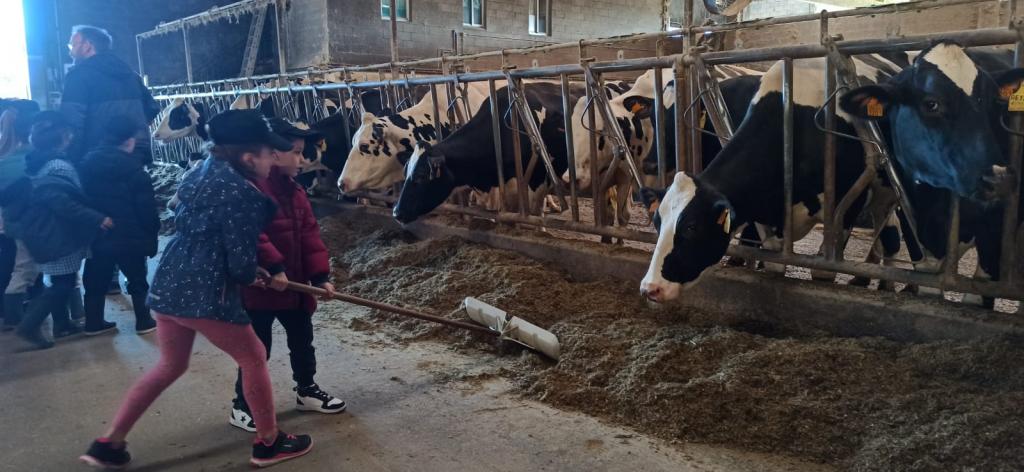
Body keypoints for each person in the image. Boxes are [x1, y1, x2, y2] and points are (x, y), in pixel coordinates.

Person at [80, 110, 314, 469]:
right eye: (269, 153)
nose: (273, 160)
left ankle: (108, 442)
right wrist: (262, 275)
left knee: (170, 365)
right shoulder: (244, 195)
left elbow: (197, 223)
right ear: (249, 158)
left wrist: (253, 269)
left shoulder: (204, 170)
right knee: (253, 356)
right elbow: (240, 264)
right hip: (205, 292)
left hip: (170, 283)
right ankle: (269, 442)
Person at [229, 118, 345, 433]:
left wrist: (319, 277)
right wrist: (275, 268)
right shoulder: (253, 188)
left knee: (302, 340)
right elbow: (253, 235)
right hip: (260, 288)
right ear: (274, 153)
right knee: (257, 351)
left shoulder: (295, 191)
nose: (302, 159)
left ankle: (306, 389)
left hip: (295, 287)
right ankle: (242, 405)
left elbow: (310, 235)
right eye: (295, 152)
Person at [3, 112, 110, 350]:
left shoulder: (37, 161)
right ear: (60, 139)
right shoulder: (58, 166)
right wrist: (96, 218)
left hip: (45, 229)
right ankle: (29, 325)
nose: (71, 138)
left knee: (60, 280)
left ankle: (62, 325)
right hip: (57, 231)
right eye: (67, 134)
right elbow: (63, 202)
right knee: (63, 282)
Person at [78, 116, 159, 335]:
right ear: (129, 141)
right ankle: (144, 321)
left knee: (95, 279)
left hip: (100, 232)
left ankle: (93, 322)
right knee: (137, 278)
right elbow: (147, 210)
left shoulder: (85, 166)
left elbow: (81, 199)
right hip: (131, 235)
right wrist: (151, 237)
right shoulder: (136, 171)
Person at [62, 25, 160, 164]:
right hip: (135, 153)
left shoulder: (77, 77)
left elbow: (72, 122)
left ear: (87, 45)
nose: (70, 52)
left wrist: (72, 158)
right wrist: (133, 136)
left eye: (72, 45)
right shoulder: (130, 75)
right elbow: (152, 109)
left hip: (96, 157)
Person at [0, 100, 39, 330]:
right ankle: (24, 312)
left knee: (8, 261)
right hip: (26, 220)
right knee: (26, 266)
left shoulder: (3, 158)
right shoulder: (30, 157)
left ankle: (7, 313)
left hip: (6, 219)